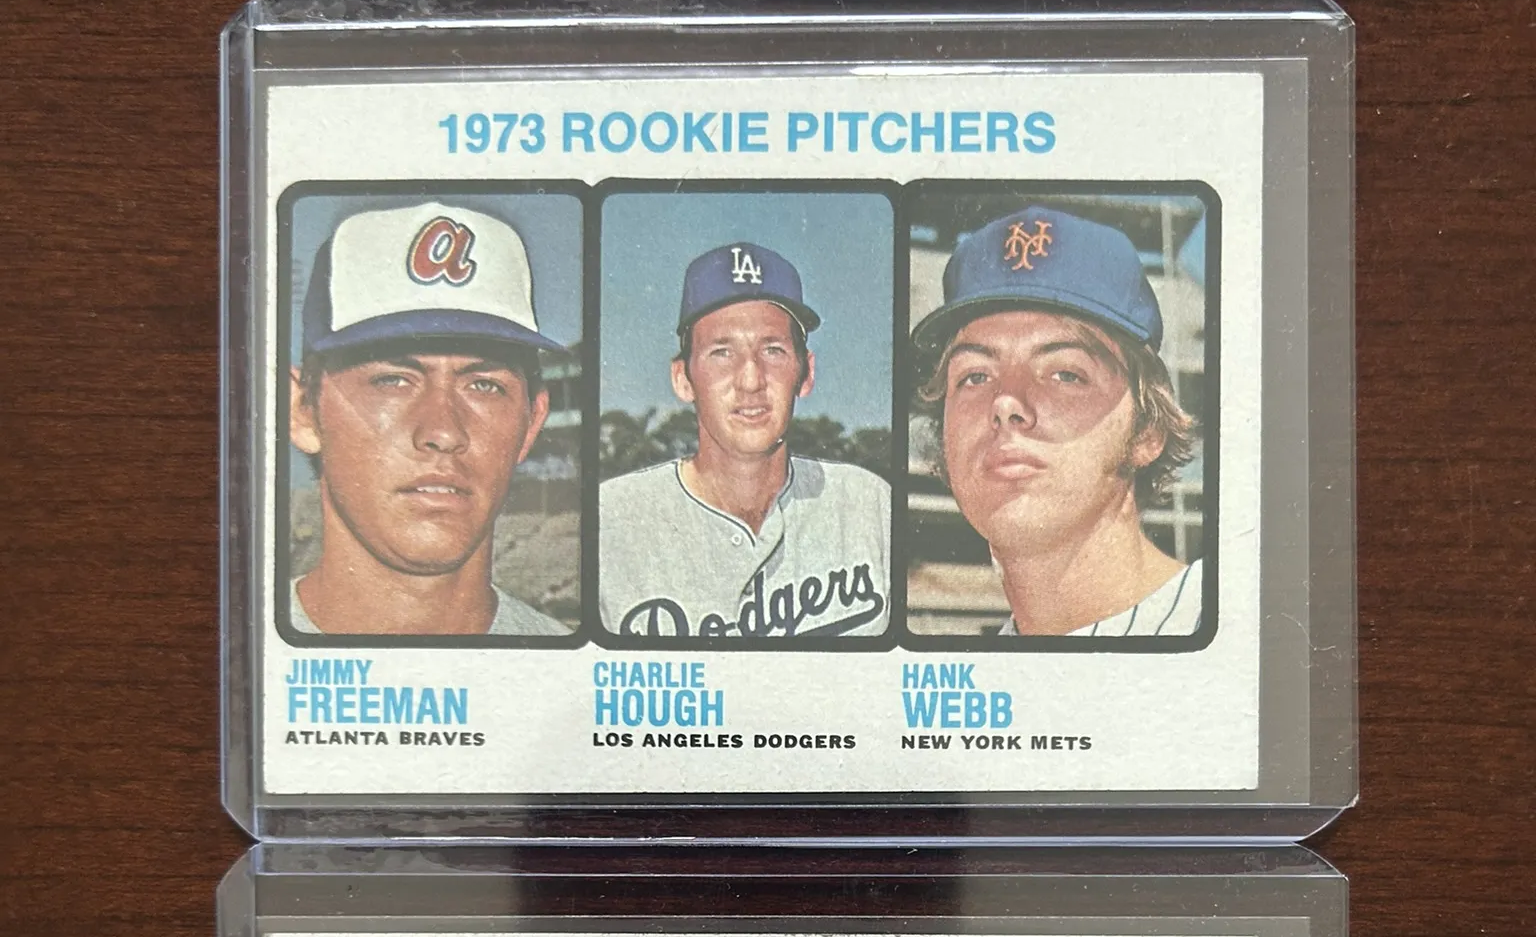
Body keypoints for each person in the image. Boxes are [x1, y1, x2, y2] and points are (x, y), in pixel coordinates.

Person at [912, 205, 1201, 637]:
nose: (1005, 403)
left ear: (1147, 431)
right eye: (975, 376)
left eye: (1065, 374)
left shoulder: (1232, 628)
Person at [288, 200, 570, 637]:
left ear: (532, 422)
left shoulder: (569, 661)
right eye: (392, 380)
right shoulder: (235, 646)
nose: (443, 431)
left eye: (484, 385)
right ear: (303, 410)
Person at [599, 242, 890, 639]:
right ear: (683, 378)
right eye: (722, 352)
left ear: (806, 374)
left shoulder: (870, 505)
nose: (751, 379)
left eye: (773, 350)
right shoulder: (611, 520)